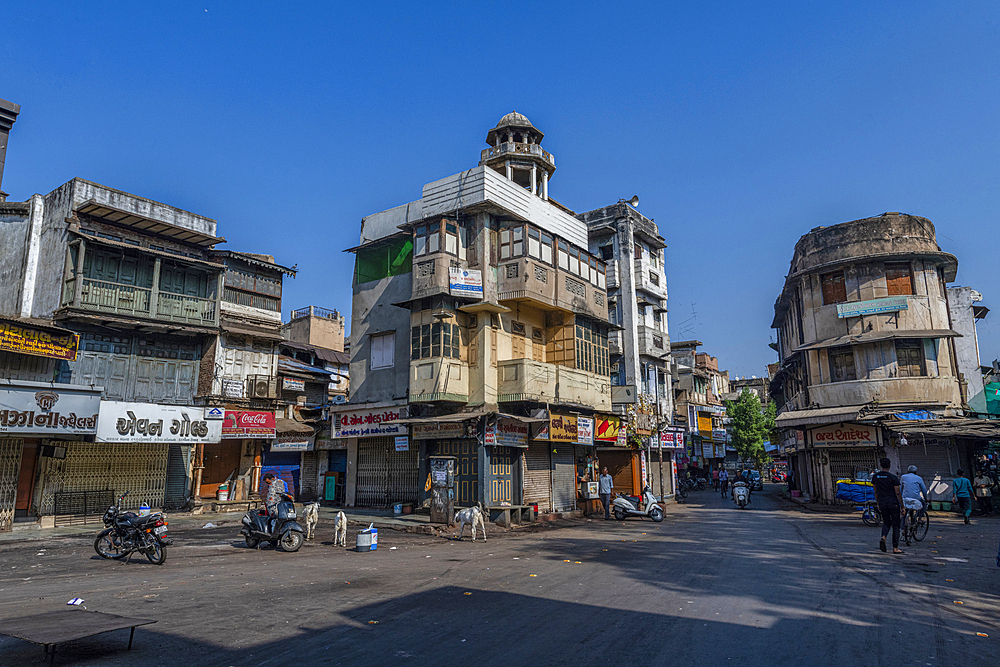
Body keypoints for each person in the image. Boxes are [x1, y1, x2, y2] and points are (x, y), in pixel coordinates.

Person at [872, 458, 904, 554]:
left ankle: (883, 536)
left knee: (886, 522)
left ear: (881, 465)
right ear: (889, 466)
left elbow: (876, 491)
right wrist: (902, 506)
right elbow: (897, 493)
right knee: (896, 525)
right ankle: (895, 548)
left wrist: (878, 503)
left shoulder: (875, 477)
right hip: (893, 503)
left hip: (882, 503)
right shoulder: (893, 478)